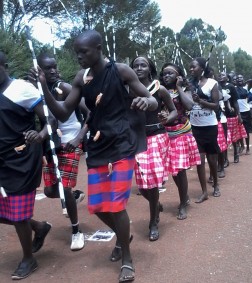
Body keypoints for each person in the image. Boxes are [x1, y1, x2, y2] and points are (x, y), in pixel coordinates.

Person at [29, 30, 158, 283]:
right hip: (97, 147)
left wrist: (146, 102)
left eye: (83, 51)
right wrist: (43, 86)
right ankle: (124, 236)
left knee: (116, 204)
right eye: (76, 52)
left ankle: (127, 258)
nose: (78, 56)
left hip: (122, 144)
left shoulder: (121, 71)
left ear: (98, 48)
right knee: (97, 207)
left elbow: (150, 98)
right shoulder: (81, 78)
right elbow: (64, 112)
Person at [0, 51, 54, 280]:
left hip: (23, 157)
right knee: (7, 211)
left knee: (18, 213)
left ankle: (28, 259)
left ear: (5, 65)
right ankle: (39, 227)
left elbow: (49, 118)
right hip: (1, 160)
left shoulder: (21, 88)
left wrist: (41, 135)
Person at [36, 53, 90, 251]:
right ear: (39, 70)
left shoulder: (64, 87)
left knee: (64, 188)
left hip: (69, 142)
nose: (53, 71)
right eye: (47, 68)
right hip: (51, 144)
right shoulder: (37, 90)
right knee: (51, 190)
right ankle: (74, 196)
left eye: (54, 67)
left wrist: (79, 138)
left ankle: (76, 231)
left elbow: (89, 112)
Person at [130, 56, 177, 240]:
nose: (139, 68)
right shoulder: (127, 89)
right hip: (136, 139)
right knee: (142, 187)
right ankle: (156, 204)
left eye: (143, 65)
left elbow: (173, 110)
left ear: (150, 69)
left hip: (156, 136)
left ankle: (153, 222)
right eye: (135, 65)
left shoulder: (160, 89)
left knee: (153, 182)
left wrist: (168, 119)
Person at [159, 62, 202, 219]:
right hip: (165, 134)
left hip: (181, 133)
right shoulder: (159, 90)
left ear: (178, 76)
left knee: (180, 170)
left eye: (170, 73)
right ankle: (185, 197)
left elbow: (190, 105)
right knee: (173, 171)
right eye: (164, 74)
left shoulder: (184, 89)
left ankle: (183, 202)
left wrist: (179, 87)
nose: (167, 76)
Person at [188, 57, 221, 202]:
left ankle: (216, 185)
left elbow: (216, 105)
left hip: (209, 126)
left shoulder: (212, 83)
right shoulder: (190, 84)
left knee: (212, 159)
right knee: (199, 161)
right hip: (195, 127)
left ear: (202, 68)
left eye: (193, 67)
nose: (191, 69)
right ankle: (204, 192)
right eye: (190, 67)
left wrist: (200, 101)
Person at [218, 72, 245, 164]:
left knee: (233, 137)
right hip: (222, 116)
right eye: (219, 75)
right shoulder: (217, 87)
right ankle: (225, 159)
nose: (220, 76)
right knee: (224, 138)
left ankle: (236, 154)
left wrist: (239, 115)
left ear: (227, 78)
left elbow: (235, 102)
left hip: (231, 115)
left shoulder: (231, 87)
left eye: (223, 75)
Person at [235, 74, 252, 155]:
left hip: (246, 111)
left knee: (246, 131)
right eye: (238, 78)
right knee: (239, 131)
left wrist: (244, 82)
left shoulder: (246, 87)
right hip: (238, 112)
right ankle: (242, 146)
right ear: (235, 80)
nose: (239, 79)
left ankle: (247, 148)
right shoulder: (234, 88)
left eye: (241, 78)